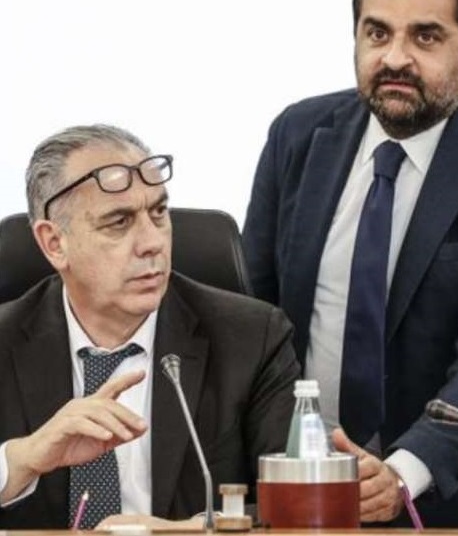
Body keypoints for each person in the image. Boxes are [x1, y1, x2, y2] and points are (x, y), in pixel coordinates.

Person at [242, 0, 458, 528]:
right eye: (377, 33)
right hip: (296, 490)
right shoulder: (298, 136)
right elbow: (255, 319)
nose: (395, 58)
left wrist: (403, 472)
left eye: (425, 37)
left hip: (441, 503)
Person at [0, 124, 300, 529]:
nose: (152, 242)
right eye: (118, 222)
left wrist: (194, 530)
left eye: (158, 213)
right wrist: (21, 460)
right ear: (55, 243)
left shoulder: (252, 339)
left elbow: (299, 505)